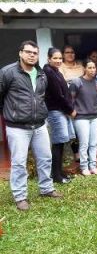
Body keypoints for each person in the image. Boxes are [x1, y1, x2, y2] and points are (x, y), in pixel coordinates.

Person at [0, 40, 62, 211]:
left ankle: (46, 189)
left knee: (45, 158)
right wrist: (9, 115)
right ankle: (20, 197)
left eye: (35, 53)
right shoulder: (8, 73)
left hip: (39, 125)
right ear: (20, 53)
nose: (32, 55)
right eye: (28, 52)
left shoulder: (41, 74)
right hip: (17, 127)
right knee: (19, 162)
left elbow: (41, 97)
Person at [44, 47, 76, 184]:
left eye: (59, 58)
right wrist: (70, 110)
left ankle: (60, 172)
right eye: (55, 58)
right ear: (49, 59)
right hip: (56, 111)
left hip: (61, 111)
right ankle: (56, 176)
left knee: (61, 142)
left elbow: (66, 93)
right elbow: (58, 95)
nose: (58, 61)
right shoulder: (49, 72)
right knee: (58, 143)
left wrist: (68, 108)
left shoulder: (56, 71)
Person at [70, 58, 97, 176]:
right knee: (84, 143)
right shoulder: (77, 82)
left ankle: (93, 166)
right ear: (84, 69)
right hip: (81, 117)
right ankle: (84, 167)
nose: (92, 70)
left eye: (94, 67)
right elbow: (70, 99)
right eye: (90, 67)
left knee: (93, 143)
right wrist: (72, 111)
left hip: (95, 116)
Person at [59, 45, 84, 162]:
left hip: (83, 102)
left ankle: (85, 151)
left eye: (72, 52)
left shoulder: (80, 67)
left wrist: (71, 81)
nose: (70, 54)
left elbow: (86, 80)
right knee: (73, 129)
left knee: (83, 127)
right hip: (70, 102)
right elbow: (63, 83)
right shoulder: (60, 67)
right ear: (63, 55)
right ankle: (76, 153)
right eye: (67, 52)